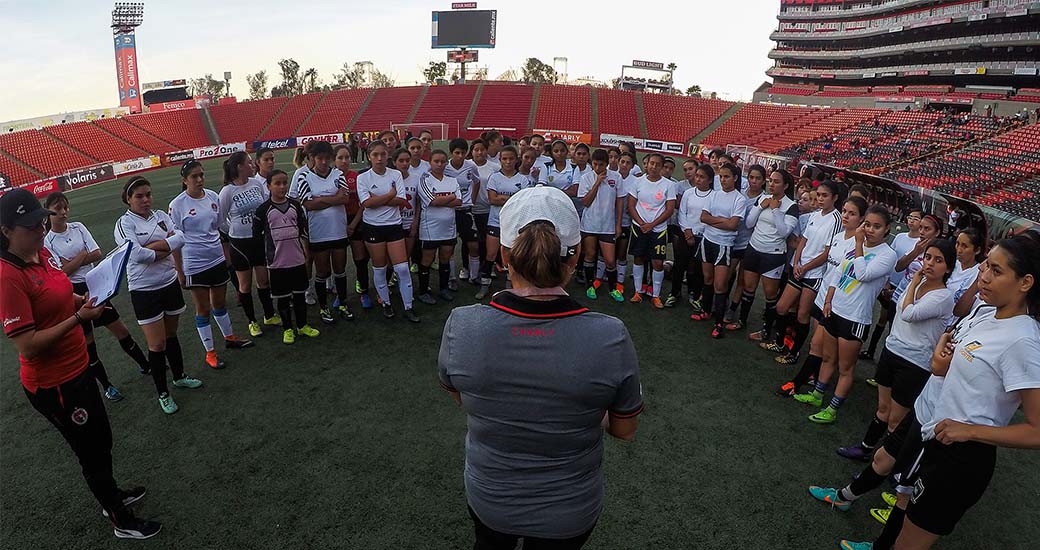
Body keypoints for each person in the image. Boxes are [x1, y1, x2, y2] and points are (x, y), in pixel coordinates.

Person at [438, 185, 642, 550]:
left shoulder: (462, 324)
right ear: (575, 256)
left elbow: (463, 398)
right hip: (570, 507)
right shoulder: (609, 335)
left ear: (503, 255)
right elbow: (625, 429)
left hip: (490, 497)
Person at [844, 232, 1040, 550]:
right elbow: (950, 358)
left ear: (1025, 282)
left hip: (962, 459)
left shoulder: (1023, 340)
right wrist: (940, 357)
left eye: (996, 271)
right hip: (935, 437)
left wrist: (970, 430)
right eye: (986, 266)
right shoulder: (988, 314)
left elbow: (1037, 430)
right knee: (903, 529)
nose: (984, 276)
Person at [1, 188, 162, 539]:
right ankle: (121, 520)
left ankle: (111, 497)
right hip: (53, 383)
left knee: (101, 440)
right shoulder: (7, 276)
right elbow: (27, 347)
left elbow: (61, 291)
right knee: (90, 451)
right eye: (30, 226)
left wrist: (86, 298)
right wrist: (78, 317)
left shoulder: (41, 253)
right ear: (6, 231)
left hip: (77, 368)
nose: (40, 230)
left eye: (40, 222)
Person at [837, 239, 955, 461]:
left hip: (914, 363)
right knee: (883, 408)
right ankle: (865, 448)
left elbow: (909, 313)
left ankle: (888, 465)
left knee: (896, 419)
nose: (930, 263)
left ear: (948, 268)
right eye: (928, 257)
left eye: (938, 260)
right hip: (892, 350)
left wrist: (913, 283)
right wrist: (915, 283)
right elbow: (901, 308)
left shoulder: (943, 297)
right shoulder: (918, 285)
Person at [795, 206, 898, 424]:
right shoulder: (854, 244)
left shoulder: (887, 255)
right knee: (828, 357)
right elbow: (838, 273)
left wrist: (859, 243)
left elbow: (862, 274)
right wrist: (829, 300)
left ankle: (832, 409)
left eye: (876, 226)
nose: (870, 230)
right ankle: (817, 395)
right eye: (868, 224)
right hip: (835, 309)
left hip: (855, 318)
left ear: (887, 229)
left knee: (845, 367)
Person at [43, 192, 149, 399]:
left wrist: (75, 260)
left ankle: (145, 365)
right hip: (73, 294)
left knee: (121, 330)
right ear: (49, 213)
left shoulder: (79, 227)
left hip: (95, 286)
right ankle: (108, 386)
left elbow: (97, 253)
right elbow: (62, 273)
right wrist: (83, 255)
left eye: (66, 208)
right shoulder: (48, 242)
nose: (63, 213)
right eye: (58, 209)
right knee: (88, 345)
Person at [114, 177, 203, 415]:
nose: (145, 200)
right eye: (139, 196)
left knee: (172, 334)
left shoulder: (162, 216)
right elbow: (136, 256)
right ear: (128, 199)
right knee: (157, 343)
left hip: (169, 283)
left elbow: (181, 238)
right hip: (144, 290)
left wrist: (156, 247)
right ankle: (163, 393)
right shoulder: (124, 223)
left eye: (148, 194)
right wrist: (166, 247)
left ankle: (179, 376)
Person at [776, 197, 867, 398]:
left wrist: (830, 298)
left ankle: (799, 383)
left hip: (837, 303)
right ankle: (813, 380)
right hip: (823, 296)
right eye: (845, 211)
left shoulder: (860, 245)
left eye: (852, 213)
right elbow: (832, 270)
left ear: (861, 219)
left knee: (824, 349)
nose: (846, 216)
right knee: (818, 346)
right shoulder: (839, 236)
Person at [170, 160, 253, 370]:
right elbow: (175, 243)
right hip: (194, 263)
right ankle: (210, 352)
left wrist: (227, 255)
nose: (199, 180)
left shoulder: (213, 197)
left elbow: (218, 227)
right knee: (203, 309)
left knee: (220, 303)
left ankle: (230, 337)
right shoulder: (177, 205)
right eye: (194, 177)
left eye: (201, 175)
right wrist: (179, 270)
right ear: (184, 180)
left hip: (216, 259)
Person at [763, 180, 843, 363]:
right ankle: (780, 343)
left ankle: (794, 352)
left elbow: (828, 252)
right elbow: (803, 241)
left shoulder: (836, 219)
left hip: (814, 274)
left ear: (835, 198)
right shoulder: (815, 215)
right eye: (819, 195)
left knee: (802, 314)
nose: (821, 199)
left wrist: (805, 267)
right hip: (799, 268)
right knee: (782, 307)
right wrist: (797, 262)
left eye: (825, 196)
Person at [290, 140, 354, 324]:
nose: (324, 162)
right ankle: (324, 307)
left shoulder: (338, 174)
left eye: (328, 158)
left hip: (339, 231)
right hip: (318, 233)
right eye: (320, 158)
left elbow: (345, 199)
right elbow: (308, 204)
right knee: (323, 271)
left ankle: (342, 303)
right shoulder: (303, 177)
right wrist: (334, 198)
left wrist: (321, 200)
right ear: (311, 158)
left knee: (340, 270)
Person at [252, 170, 321, 343]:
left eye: (284, 182)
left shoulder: (295, 206)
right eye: (277, 183)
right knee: (282, 299)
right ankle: (288, 329)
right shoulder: (262, 210)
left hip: (297, 259)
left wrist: (305, 251)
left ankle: (303, 325)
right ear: (268, 186)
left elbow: (303, 228)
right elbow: (257, 236)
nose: (282, 187)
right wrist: (266, 256)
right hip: (277, 262)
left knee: (299, 295)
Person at [357, 143, 419, 322]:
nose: (379, 158)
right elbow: (366, 204)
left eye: (382, 154)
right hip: (373, 226)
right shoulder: (363, 178)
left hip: (393, 225)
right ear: (369, 156)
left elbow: (401, 201)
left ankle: (408, 307)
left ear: (387, 156)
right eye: (375, 154)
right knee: (380, 268)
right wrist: (390, 194)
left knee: (402, 268)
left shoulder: (396, 174)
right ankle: (386, 303)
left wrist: (377, 199)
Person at [217, 151, 278, 337]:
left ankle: (269, 315)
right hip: (239, 244)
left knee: (263, 280)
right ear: (239, 167)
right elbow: (220, 220)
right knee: (245, 285)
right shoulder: (227, 191)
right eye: (249, 163)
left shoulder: (256, 184)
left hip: (258, 240)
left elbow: (263, 209)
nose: (253, 166)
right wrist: (234, 231)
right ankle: (252, 321)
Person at [733, 169, 798, 333]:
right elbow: (749, 224)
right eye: (771, 180)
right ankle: (741, 321)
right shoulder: (762, 198)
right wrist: (760, 207)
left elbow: (785, 233)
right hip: (754, 248)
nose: (772, 184)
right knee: (748, 287)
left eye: (776, 182)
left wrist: (776, 211)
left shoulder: (791, 206)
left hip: (773, 255)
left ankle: (766, 329)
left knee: (770, 294)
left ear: (786, 186)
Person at [860, 210, 923, 361]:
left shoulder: (921, 244)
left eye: (916, 218)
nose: (912, 221)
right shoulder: (900, 237)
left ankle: (884, 355)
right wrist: (887, 283)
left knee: (894, 322)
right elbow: (891, 259)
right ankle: (870, 350)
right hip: (891, 283)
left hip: (905, 286)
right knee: (882, 318)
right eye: (910, 217)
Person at [696, 163, 748, 337]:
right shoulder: (714, 194)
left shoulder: (739, 199)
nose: (723, 179)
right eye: (721, 176)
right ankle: (705, 311)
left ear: (735, 178)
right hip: (707, 241)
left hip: (724, 245)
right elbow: (703, 217)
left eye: (727, 176)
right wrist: (722, 220)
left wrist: (714, 219)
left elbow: (733, 225)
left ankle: (718, 323)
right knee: (708, 278)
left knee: (720, 284)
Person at [476, 146, 533, 299]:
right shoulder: (494, 177)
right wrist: (513, 199)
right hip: (495, 221)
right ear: (500, 160)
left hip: (515, 223)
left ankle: (511, 285)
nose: (508, 162)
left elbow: (524, 202)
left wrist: (502, 198)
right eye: (504, 159)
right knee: (491, 254)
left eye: (511, 158)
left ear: (516, 160)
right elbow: (492, 199)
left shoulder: (523, 179)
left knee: (513, 255)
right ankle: (485, 284)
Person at [627, 153, 676, 309]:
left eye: (657, 164)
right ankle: (638, 291)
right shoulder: (637, 182)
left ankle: (655, 295)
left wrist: (652, 224)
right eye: (651, 163)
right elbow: (631, 205)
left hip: (658, 230)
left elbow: (669, 209)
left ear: (661, 167)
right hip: (639, 227)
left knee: (657, 262)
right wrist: (642, 223)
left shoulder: (668, 185)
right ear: (646, 165)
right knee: (639, 258)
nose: (654, 167)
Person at [724, 164, 766, 328]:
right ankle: (721, 302)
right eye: (751, 177)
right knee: (726, 275)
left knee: (743, 280)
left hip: (750, 245)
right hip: (734, 240)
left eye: (758, 178)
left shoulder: (765, 199)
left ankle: (732, 310)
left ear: (763, 181)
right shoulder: (739, 196)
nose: (753, 181)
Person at [578, 149, 623, 302]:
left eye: (601, 165)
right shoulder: (586, 178)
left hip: (608, 225)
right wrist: (597, 182)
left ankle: (613, 288)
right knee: (590, 255)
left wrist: (618, 224)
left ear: (607, 163)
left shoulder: (616, 177)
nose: (598, 168)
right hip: (589, 224)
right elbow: (585, 202)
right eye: (595, 164)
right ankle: (590, 286)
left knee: (610, 260)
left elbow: (619, 202)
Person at [417, 150, 462, 304]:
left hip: (449, 228)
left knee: (445, 258)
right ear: (430, 162)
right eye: (436, 161)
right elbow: (432, 202)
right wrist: (450, 197)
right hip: (430, 228)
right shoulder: (424, 179)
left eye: (443, 161)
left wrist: (441, 199)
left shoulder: (452, 180)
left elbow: (459, 201)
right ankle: (423, 291)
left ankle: (443, 288)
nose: (440, 164)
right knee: (427, 260)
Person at [336, 144, 373, 309]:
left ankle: (364, 291)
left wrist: (353, 224)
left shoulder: (357, 177)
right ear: (334, 160)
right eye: (340, 158)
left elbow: (362, 204)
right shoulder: (330, 178)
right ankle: (340, 295)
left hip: (355, 221)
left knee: (360, 259)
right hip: (336, 223)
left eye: (347, 157)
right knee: (339, 263)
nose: (344, 161)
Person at [676, 162, 713, 314]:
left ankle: (695, 294)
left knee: (697, 269)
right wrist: (687, 231)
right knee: (680, 265)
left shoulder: (714, 196)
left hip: (703, 237)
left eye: (702, 177)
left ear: (710, 180)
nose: (698, 179)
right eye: (697, 176)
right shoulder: (689, 193)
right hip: (687, 234)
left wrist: (697, 233)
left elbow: (710, 218)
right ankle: (674, 293)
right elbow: (682, 213)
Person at [445, 138, 481, 287]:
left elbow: (477, 182)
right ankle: (451, 278)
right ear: (451, 153)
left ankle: (474, 276)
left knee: (473, 245)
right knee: (449, 247)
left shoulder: (471, 165)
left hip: (466, 211)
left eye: (463, 153)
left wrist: (472, 199)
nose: (460, 156)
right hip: (450, 211)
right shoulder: (445, 167)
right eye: (457, 153)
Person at [470, 139, 501, 280]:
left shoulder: (494, 167)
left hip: (488, 210)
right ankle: (467, 268)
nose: (479, 152)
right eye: (476, 149)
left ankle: (488, 267)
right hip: (470, 209)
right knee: (470, 241)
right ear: (472, 151)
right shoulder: (467, 165)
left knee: (486, 241)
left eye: (482, 149)